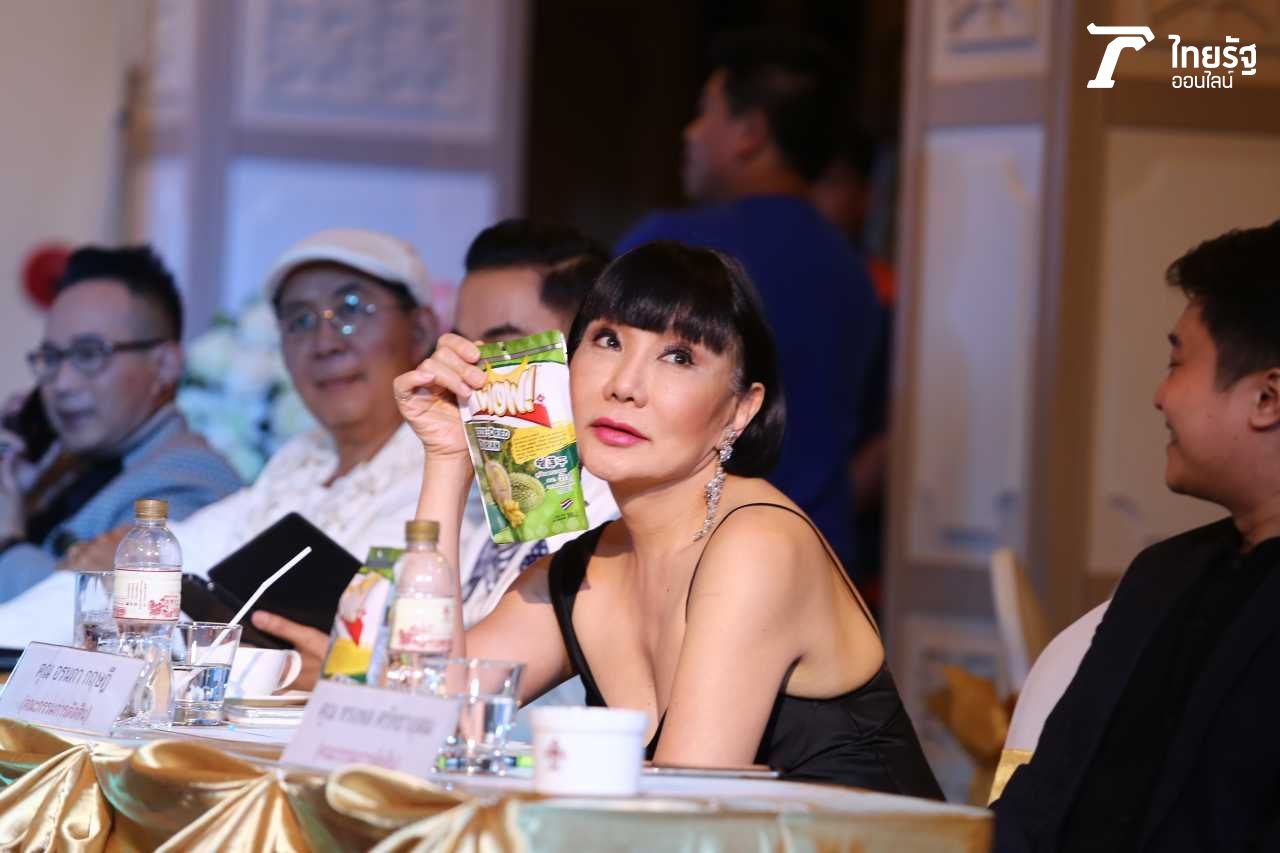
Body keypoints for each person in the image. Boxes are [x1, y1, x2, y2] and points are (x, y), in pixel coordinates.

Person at [395, 241, 940, 794]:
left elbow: (682, 809)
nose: (624, 386)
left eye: (679, 357)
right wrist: (447, 457)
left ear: (741, 409)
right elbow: (421, 724)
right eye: (608, 341)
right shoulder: (582, 569)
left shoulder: (757, 544)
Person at [0, 229, 434, 666]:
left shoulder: (444, 473)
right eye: (300, 320)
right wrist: (136, 569)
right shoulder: (299, 462)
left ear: (420, 329)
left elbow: (387, 643)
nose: (326, 343)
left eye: (352, 309)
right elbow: (181, 557)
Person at [993, 220, 1280, 850]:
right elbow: (1037, 806)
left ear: (1267, 398)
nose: (1160, 396)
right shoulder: (1164, 576)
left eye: (1178, 363)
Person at [615, 31, 883, 573]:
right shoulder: (854, 271)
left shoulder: (670, 248)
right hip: (822, 555)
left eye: (704, 113)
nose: (689, 133)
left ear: (750, 133)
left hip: (701, 557)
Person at [0, 246, 240, 602]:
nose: (61, 383)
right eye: (51, 357)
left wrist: (8, 542)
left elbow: (116, 609)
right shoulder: (63, 467)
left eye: (88, 354)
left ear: (164, 365)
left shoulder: (191, 480)